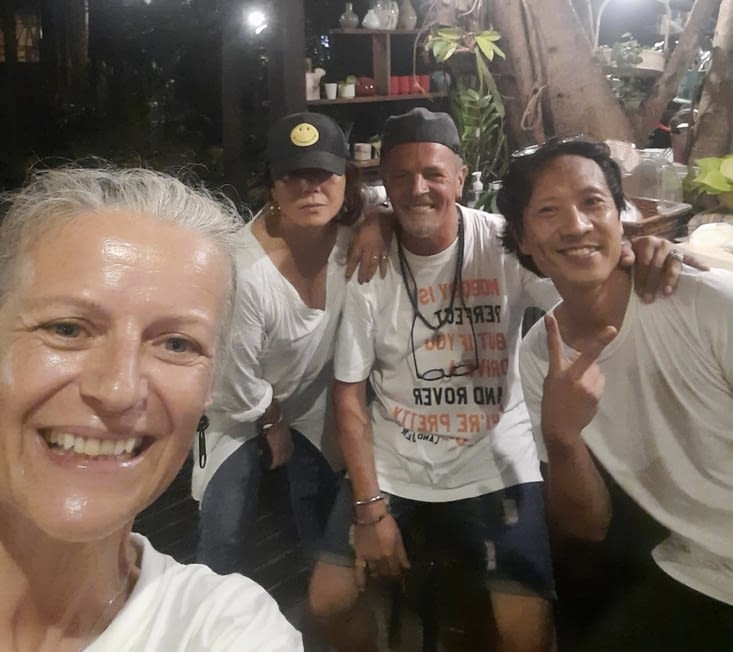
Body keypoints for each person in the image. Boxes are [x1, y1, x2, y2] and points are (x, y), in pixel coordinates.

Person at [307, 108, 693, 652]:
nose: (418, 189)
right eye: (401, 177)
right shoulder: (369, 262)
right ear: (384, 185)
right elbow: (348, 395)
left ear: (460, 177)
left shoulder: (504, 244)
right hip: (394, 465)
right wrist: (369, 508)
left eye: (434, 174)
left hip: (496, 463)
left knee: (525, 634)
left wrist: (638, 251)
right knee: (328, 602)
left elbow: (584, 282)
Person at [0, 167, 302, 651]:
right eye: (66, 329)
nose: (118, 390)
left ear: (209, 385)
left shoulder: (226, 629)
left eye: (177, 344)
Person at [500, 137, 733, 650]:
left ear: (621, 217)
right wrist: (561, 436)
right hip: (694, 570)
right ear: (523, 238)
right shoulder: (541, 354)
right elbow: (588, 527)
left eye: (593, 202)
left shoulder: (708, 303)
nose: (577, 225)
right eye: (548, 210)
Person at [193, 112, 390, 574]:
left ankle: (324, 605)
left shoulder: (350, 233)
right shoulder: (243, 269)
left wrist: (378, 222)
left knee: (322, 521)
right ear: (272, 186)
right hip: (235, 407)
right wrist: (272, 420)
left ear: (346, 179)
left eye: (324, 174)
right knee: (223, 531)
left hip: (316, 398)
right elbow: (232, 379)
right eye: (293, 176)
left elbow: (389, 200)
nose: (311, 189)